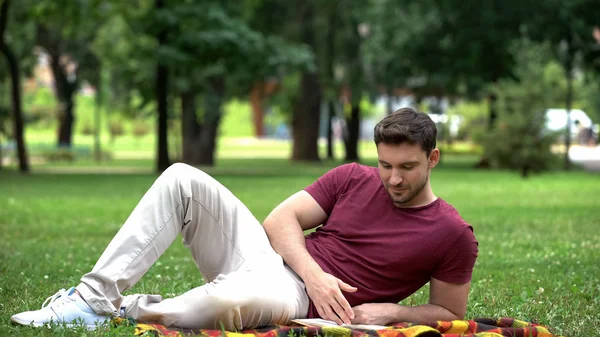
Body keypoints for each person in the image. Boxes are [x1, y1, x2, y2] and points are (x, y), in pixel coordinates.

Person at [11, 107, 478, 331]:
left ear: (433, 158)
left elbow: (450, 312)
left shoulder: (452, 234)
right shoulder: (353, 177)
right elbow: (279, 222)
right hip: (269, 257)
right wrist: (317, 275)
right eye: (385, 165)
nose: (392, 179)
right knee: (181, 178)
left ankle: (117, 312)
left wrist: (397, 311)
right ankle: (90, 298)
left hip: (291, 298)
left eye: (407, 168)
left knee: (221, 306)